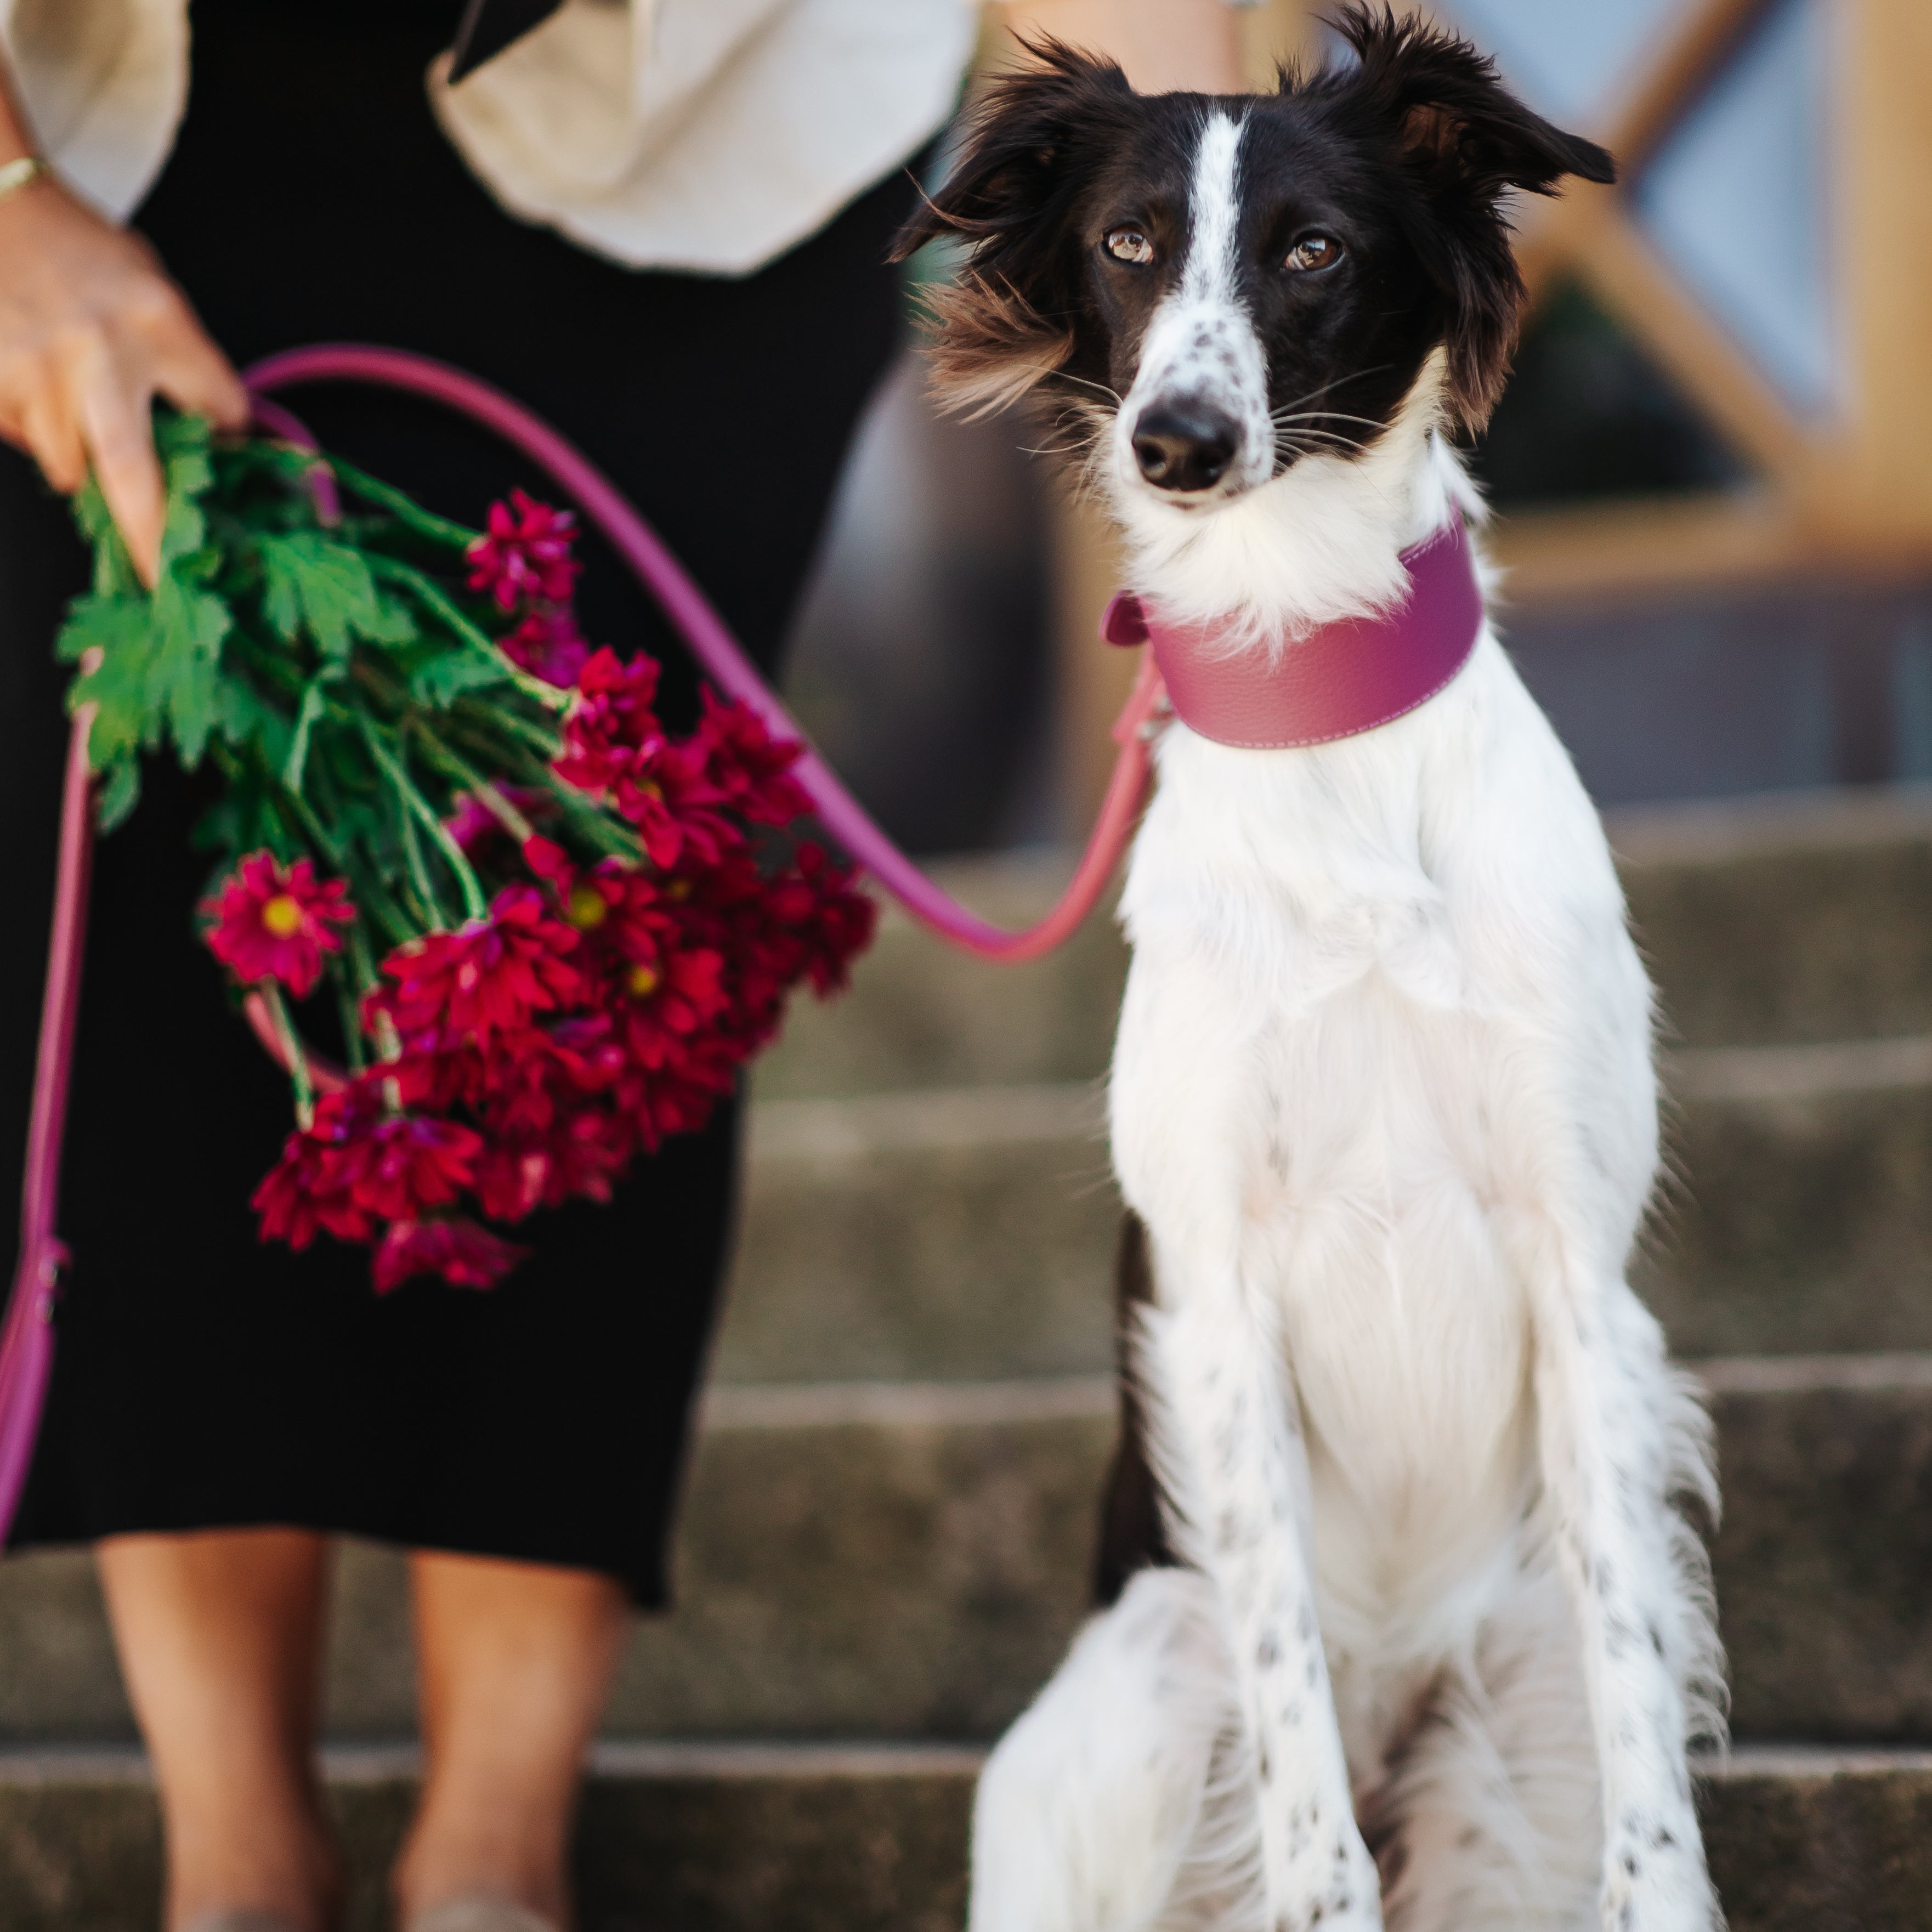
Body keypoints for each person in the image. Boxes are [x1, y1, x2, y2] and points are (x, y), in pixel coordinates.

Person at [0, 3, 1244, 1929]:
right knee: (174, 875)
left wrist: (1198, 362)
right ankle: (233, 1854)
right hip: (113, 114)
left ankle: (496, 1854)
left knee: (612, 908)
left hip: (706, 143)